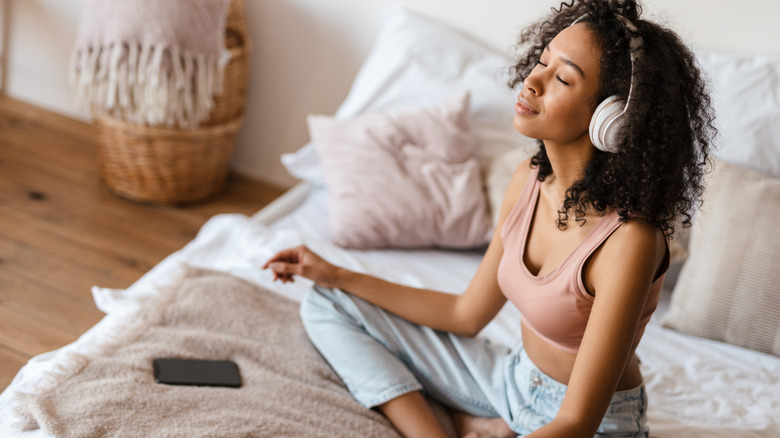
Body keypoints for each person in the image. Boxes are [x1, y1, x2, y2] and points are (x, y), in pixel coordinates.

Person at [263, 0, 715, 436]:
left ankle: (482, 425)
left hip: (589, 426)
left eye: (562, 78)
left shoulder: (630, 241)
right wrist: (334, 273)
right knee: (328, 302)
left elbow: (576, 423)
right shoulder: (528, 179)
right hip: (510, 382)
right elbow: (465, 313)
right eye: (542, 60)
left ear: (611, 119)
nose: (533, 81)